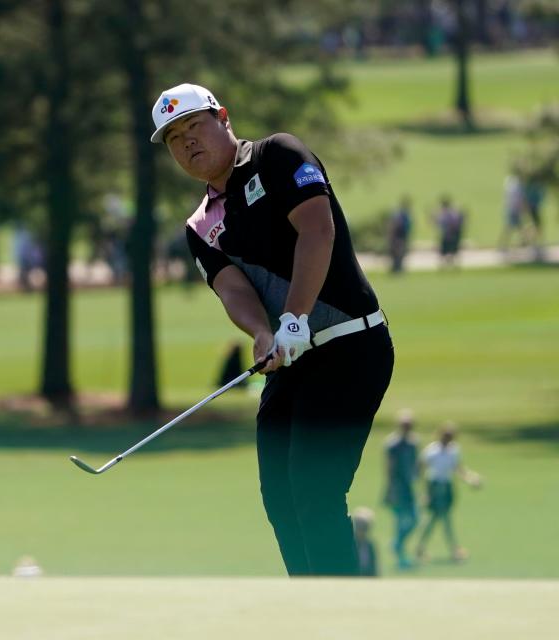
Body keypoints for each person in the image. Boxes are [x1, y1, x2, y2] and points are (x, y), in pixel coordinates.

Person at [152, 83, 394, 576]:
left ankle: (345, 617)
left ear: (223, 117)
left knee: (314, 488)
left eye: (194, 126)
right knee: (280, 497)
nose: (188, 143)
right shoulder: (199, 226)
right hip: (291, 359)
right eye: (174, 138)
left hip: (351, 344)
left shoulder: (278, 155)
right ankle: (310, 611)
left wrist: (294, 318)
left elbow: (317, 229)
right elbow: (233, 291)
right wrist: (263, 334)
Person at [415, 422, 482, 564]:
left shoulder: (454, 450)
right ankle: (454, 549)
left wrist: (470, 478)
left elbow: (458, 469)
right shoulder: (432, 450)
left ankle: (421, 547)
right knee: (444, 519)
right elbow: (421, 469)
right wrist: (423, 492)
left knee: (435, 519)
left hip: (447, 487)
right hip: (434, 486)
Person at [382, 408, 419, 569]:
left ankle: (397, 543)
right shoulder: (392, 444)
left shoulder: (413, 443)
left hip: (409, 487)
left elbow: (415, 465)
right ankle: (400, 557)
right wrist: (390, 491)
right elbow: (389, 469)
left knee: (415, 519)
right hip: (397, 488)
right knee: (398, 521)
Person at [433, 197, 465, 268]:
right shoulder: (454, 212)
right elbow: (460, 222)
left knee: (445, 252)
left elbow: (438, 222)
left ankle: (445, 265)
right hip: (454, 235)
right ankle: (452, 265)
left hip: (446, 235)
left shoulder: (443, 213)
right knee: (452, 251)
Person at [387, 197, 413, 274]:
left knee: (398, 254)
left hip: (399, 237)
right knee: (398, 254)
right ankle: (397, 269)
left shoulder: (400, 215)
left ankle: (397, 269)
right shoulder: (404, 215)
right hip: (399, 237)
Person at [351, 507, 378, 577]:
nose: (361, 530)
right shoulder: (349, 544)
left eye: (364, 527)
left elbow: (374, 568)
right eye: (359, 526)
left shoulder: (370, 545)